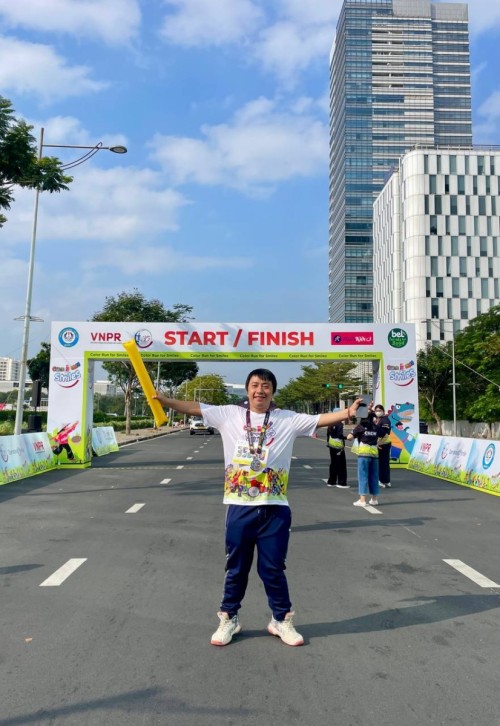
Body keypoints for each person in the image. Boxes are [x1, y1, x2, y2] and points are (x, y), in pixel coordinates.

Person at [154, 369, 362, 647]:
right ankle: (229, 618)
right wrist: (165, 401)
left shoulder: (287, 419)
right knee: (236, 567)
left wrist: (347, 412)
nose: (259, 391)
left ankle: (281, 619)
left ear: (272, 391)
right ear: (248, 389)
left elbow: (320, 419)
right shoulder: (229, 414)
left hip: (275, 507)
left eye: (265, 386)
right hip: (240, 506)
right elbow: (195, 407)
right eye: (254, 385)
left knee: (273, 568)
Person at [347, 415, 385, 507]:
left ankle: (362, 500)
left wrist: (355, 433)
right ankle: (374, 499)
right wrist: (378, 443)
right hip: (374, 454)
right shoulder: (376, 427)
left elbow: (349, 437)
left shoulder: (360, 427)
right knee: (374, 477)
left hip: (364, 454)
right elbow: (386, 436)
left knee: (363, 476)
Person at [368, 404, 392, 488]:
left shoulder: (385, 420)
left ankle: (383, 480)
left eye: (379, 410)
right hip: (379, 443)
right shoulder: (378, 419)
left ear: (383, 411)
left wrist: (378, 444)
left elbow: (385, 434)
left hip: (384, 443)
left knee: (382, 463)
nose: (377, 412)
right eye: (376, 410)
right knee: (383, 463)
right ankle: (385, 480)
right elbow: (370, 414)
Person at [326, 410, 349, 488]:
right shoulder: (339, 424)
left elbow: (328, 436)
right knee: (341, 465)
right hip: (338, 447)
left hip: (332, 446)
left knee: (333, 464)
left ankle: (331, 481)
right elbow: (339, 435)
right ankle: (341, 482)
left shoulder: (330, 423)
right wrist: (346, 437)